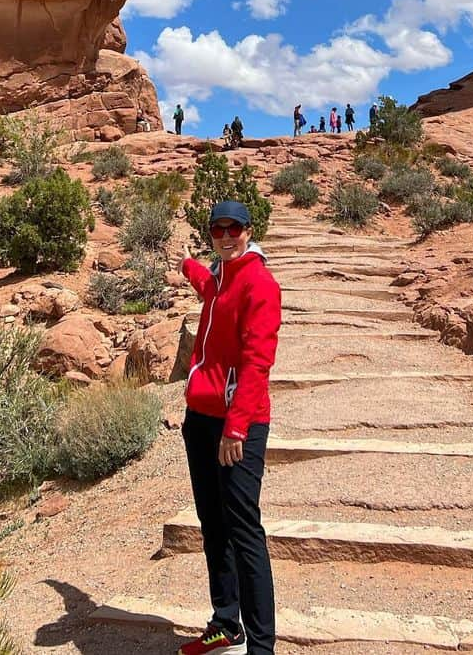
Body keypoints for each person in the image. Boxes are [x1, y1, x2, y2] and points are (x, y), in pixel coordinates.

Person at [179, 200, 281, 655]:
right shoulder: (220, 277)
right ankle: (226, 623)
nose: (225, 236)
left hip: (238, 425)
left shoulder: (260, 284)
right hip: (200, 420)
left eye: (233, 229)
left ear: (248, 230)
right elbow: (207, 285)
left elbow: (258, 362)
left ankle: (262, 647)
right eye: (218, 230)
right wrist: (185, 264)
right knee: (212, 524)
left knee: (244, 531)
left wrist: (236, 428)